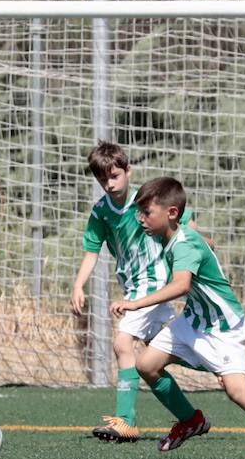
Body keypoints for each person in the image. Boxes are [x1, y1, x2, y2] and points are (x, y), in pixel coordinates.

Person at [111, 176, 245, 459]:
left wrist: (135, 303)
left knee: (236, 390)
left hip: (221, 327)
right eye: (139, 212)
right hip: (194, 320)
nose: (140, 218)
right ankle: (190, 420)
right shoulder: (171, 237)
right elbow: (200, 246)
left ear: (171, 213)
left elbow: (181, 285)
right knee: (147, 365)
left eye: (147, 212)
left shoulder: (182, 244)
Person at [70, 142, 202, 443]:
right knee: (160, 358)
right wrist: (78, 286)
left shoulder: (146, 199)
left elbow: (183, 216)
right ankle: (191, 416)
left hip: (153, 285)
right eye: (102, 179)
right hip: (135, 287)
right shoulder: (102, 211)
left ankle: (126, 421)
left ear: (128, 171)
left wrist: (196, 241)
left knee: (122, 343)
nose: (109, 184)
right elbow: (92, 251)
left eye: (115, 176)